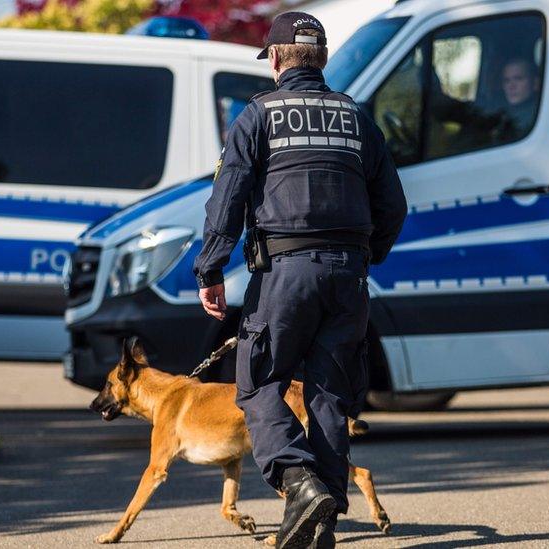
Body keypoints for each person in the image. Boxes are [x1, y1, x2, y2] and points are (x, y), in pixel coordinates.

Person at [192, 11, 407, 549]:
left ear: (278, 59)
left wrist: (210, 266)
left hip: (284, 275)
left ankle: (298, 482)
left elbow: (229, 196)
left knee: (259, 384)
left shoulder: (259, 115)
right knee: (331, 398)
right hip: (348, 278)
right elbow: (394, 205)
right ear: (324, 58)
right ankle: (322, 531)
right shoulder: (357, 118)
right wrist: (367, 255)